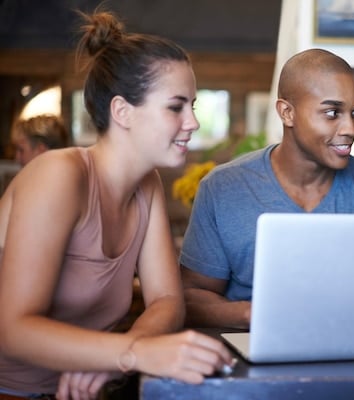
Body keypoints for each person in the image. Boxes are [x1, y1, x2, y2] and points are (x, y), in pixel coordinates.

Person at [0, 9, 234, 400]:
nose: (192, 122)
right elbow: (13, 329)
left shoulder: (148, 185)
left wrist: (117, 357)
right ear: (122, 111)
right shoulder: (58, 175)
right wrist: (132, 352)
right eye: (176, 107)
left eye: (192, 105)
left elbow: (167, 300)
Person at [180, 48, 354, 329]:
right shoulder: (222, 189)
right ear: (287, 113)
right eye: (332, 112)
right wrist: (256, 316)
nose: (350, 127)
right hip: (251, 357)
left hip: (353, 354)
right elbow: (191, 297)